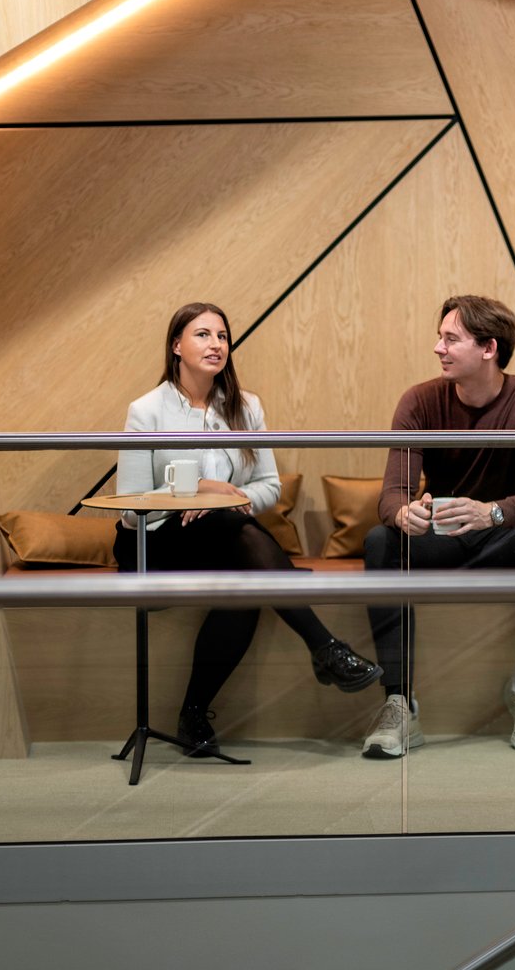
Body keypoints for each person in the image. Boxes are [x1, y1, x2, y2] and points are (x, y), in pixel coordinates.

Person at [116, 301, 381, 758]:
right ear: (176, 346)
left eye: (222, 336)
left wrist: (228, 496)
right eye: (202, 335)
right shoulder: (147, 411)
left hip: (223, 538)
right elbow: (128, 508)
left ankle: (193, 714)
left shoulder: (245, 407)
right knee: (230, 526)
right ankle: (325, 647)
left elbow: (269, 488)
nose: (216, 344)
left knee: (242, 569)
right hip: (155, 543)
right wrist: (196, 492)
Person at [361, 295, 515, 759]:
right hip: (442, 538)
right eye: (440, 337)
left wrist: (493, 512)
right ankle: (400, 704)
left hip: (506, 538)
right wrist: (403, 514)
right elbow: (392, 492)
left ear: (488, 349)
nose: (438, 347)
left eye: (450, 339)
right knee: (381, 542)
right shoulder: (419, 401)